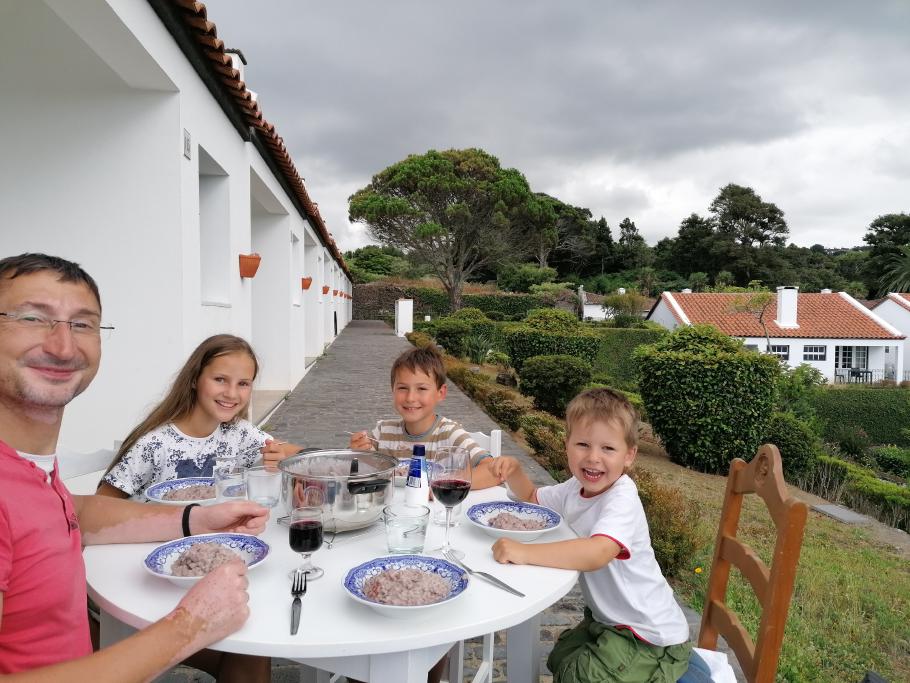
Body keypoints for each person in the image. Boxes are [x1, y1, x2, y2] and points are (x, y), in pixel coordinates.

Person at [0, 253, 268, 681]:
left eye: (83, 323)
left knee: (251, 654)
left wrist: (196, 518)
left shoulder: (31, 471)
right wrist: (189, 625)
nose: (62, 345)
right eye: (33, 318)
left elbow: (73, 513)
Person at [490, 388, 692, 683]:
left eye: (608, 449)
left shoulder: (622, 497)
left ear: (629, 455)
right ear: (567, 445)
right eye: (583, 444)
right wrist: (516, 471)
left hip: (649, 637)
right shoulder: (575, 488)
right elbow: (533, 499)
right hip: (608, 621)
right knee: (559, 657)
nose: (593, 458)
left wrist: (523, 551)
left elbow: (598, 552)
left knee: (575, 676)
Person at [97, 334, 300, 500]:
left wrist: (280, 457)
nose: (231, 393)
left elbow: (298, 455)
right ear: (194, 379)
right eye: (220, 379)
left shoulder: (238, 432)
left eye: (243, 383)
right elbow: (101, 506)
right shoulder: (154, 445)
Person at [348, 344, 499, 489]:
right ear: (392, 390)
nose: (410, 398)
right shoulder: (383, 432)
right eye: (402, 388)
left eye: (421, 388)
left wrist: (443, 483)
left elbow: (494, 471)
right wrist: (359, 453)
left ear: (441, 393)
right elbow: (359, 471)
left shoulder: (450, 434)